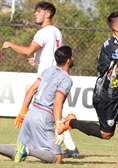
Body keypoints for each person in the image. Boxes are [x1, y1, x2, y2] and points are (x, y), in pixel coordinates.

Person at [57, 10, 118, 168]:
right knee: (106, 134)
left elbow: (114, 65)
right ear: (116, 28)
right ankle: (71, 122)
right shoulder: (112, 46)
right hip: (105, 96)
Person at [1, 1, 79, 158]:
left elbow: (29, 50)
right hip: (57, 74)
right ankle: (69, 148)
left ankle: (35, 148)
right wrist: (37, 61)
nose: (35, 14)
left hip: (46, 77)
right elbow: (54, 54)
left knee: (43, 110)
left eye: (38, 11)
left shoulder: (42, 32)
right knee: (54, 112)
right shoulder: (57, 31)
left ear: (47, 14)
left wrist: (10, 44)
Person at [0, 46, 74, 164]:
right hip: (43, 116)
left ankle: (25, 150)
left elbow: (31, 91)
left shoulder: (48, 70)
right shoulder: (66, 79)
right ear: (68, 60)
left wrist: (23, 111)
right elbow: (57, 102)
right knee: (57, 159)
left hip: (32, 111)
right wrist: (58, 125)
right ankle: (28, 150)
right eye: (72, 56)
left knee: (17, 154)